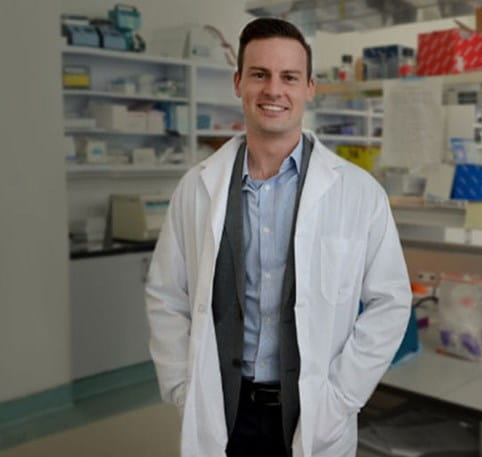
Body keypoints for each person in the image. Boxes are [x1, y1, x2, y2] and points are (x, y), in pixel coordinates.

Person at [146, 17, 411, 457]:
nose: (273, 90)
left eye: (289, 77)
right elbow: (166, 296)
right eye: (259, 74)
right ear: (238, 83)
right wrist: (181, 385)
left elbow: (391, 302)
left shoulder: (358, 193)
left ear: (310, 87)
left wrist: (341, 398)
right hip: (224, 409)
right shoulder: (197, 188)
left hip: (312, 410)